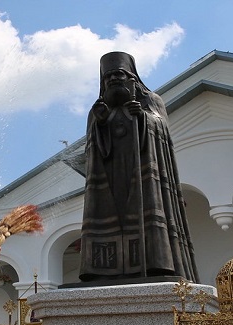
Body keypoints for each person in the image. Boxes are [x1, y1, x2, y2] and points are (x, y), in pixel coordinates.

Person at [79, 51, 197, 282]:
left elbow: (162, 131)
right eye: (108, 77)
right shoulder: (98, 109)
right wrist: (100, 124)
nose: (113, 79)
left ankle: (155, 262)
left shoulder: (151, 100)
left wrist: (143, 118)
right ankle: (104, 268)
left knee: (147, 214)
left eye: (119, 74)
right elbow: (90, 149)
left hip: (142, 175)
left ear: (132, 77)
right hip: (110, 176)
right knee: (107, 215)